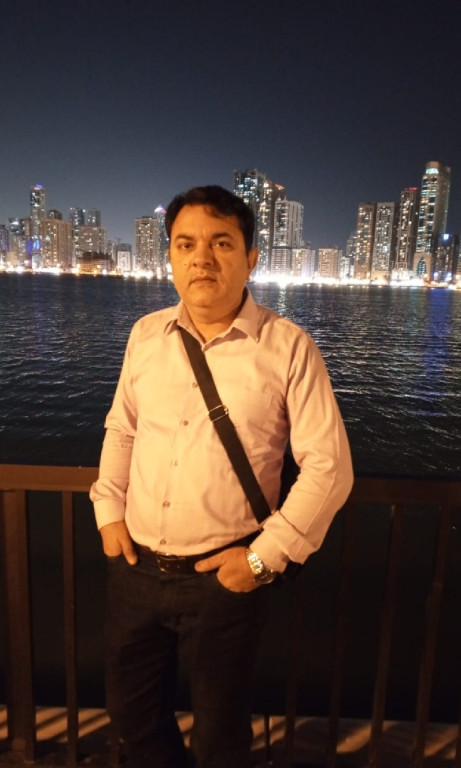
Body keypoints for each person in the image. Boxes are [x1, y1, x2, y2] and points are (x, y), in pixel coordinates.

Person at [90, 185, 353, 768]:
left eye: (221, 243)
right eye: (186, 244)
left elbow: (330, 468)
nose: (201, 258)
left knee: (220, 737)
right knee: (133, 720)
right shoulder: (145, 335)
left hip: (224, 580)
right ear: (170, 257)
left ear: (251, 258)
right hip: (134, 569)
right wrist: (108, 513)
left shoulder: (288, 348)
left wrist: (262, 559)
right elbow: (122, 429)